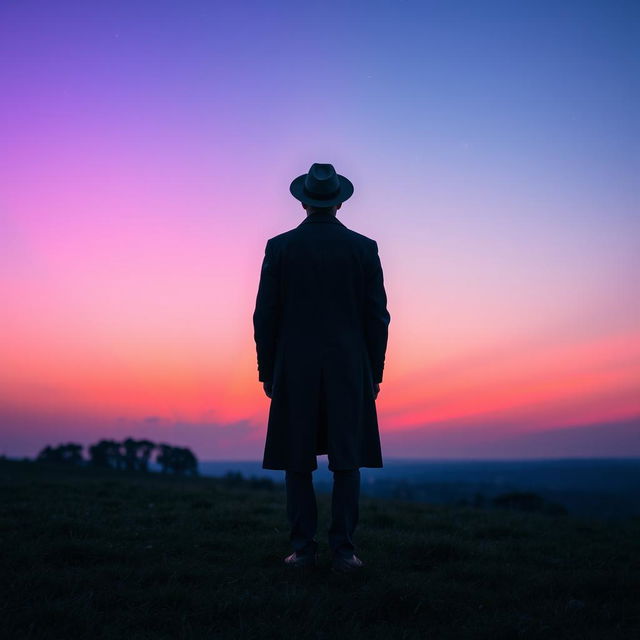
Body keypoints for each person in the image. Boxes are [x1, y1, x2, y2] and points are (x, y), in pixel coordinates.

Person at [252, 162, 391, 572]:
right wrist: (375, 373)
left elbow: (265, 316)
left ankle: (303, 550)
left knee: (297, 460)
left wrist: (267, 371)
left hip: (294, 367)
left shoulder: (280, 248)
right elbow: (377, 318)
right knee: (347, 461)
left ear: (302, 200)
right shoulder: (364, 249)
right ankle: (345, 552)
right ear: (340, 202)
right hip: (350, 368)